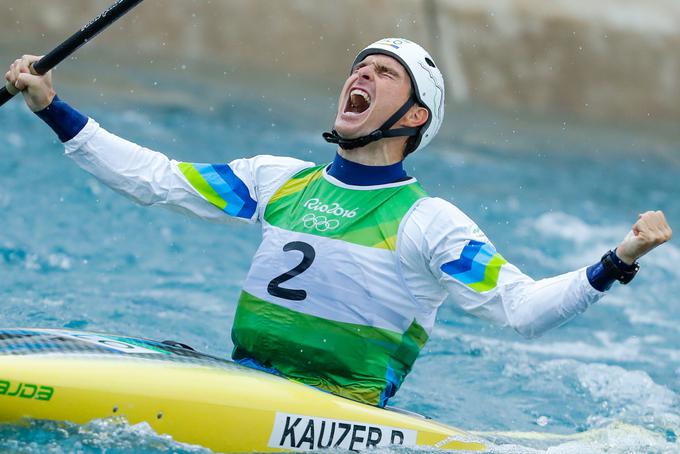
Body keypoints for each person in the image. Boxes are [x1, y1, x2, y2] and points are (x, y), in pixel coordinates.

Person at [5, 38, 672, 408]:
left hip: (336, 416)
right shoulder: (279, 180)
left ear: (413, 118)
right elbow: (155, 179)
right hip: (239, 384)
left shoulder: (428, 221)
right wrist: (52, 108)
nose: (362, 73)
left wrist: (619, 258)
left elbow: (522, 309)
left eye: (384, 73)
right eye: (360, 65)